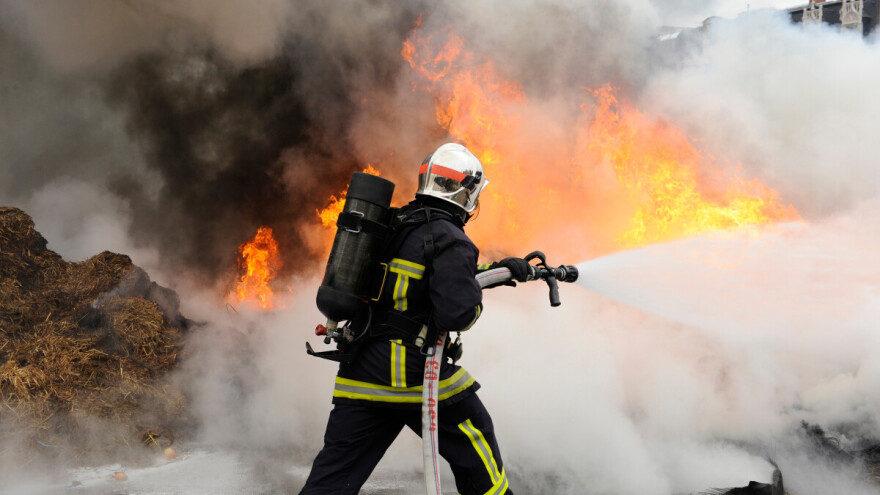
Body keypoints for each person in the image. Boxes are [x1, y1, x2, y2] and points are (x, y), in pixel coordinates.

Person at [300, 143, 531, 495]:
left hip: (361, 375)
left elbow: (426, 278)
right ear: (463, 192)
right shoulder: (452, 238)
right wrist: (476, 298)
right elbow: (458, 312)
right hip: (413, 375)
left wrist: (498, 270)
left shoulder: (393, 223)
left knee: (332, 478)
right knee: (475, 434)